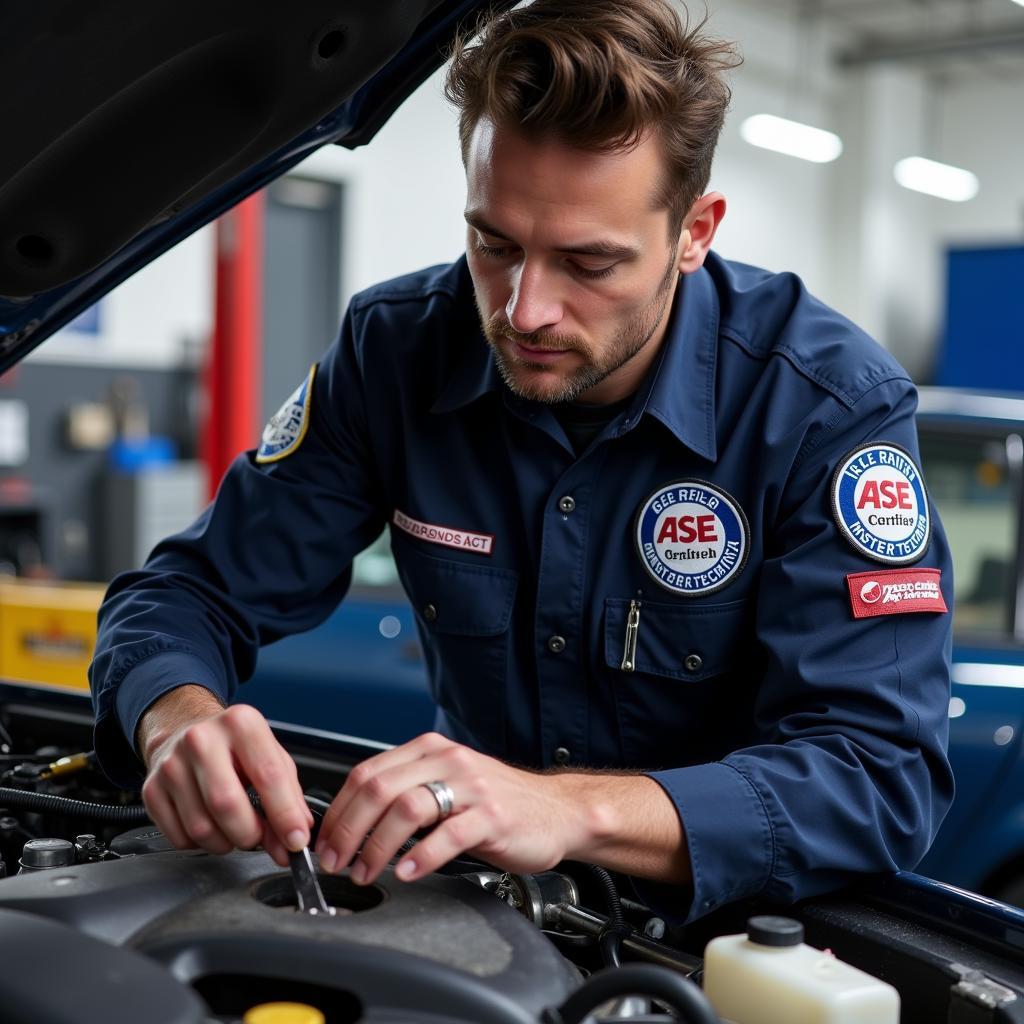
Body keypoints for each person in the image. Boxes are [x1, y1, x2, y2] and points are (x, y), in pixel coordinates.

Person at [88, 0, 954, 923]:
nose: (524, 310)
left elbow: (879, 774)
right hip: (477, 913)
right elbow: (186, 595)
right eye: (494, 245)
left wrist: (568, 809)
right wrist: (177, 717)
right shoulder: (396, 353)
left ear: (695, 231)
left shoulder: (823, 407)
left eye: (589, 263)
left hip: (721, 938)